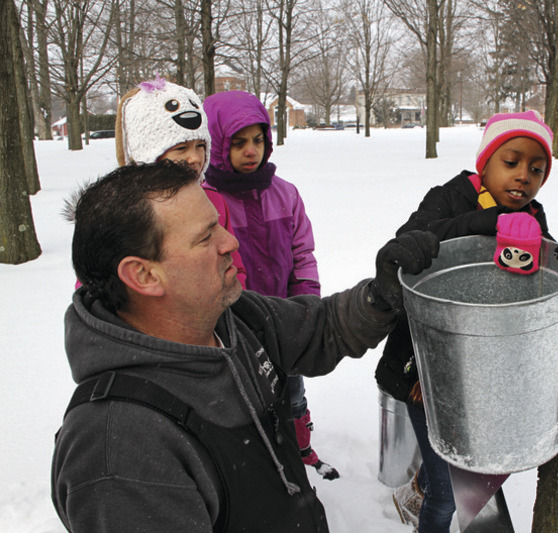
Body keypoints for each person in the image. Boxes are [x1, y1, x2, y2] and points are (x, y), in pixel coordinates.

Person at [51, 160, 439, 532]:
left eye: (218, 225)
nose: (230, 241)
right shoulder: (117, 449)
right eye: (206, 236)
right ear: (144, 274)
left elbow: (320, 329)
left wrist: (380, 295)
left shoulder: (233, 316)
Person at [376, 110, 555, 532]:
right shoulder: (450, 197)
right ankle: (428, 506)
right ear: (486, 163)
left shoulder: (533, 217)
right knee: (447, 488)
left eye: (536, 168)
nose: (523, 177)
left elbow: (533, 289)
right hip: (421, 369)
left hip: (481, 375)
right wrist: (485, 223)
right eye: (511, 162)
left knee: (479, 462)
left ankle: (414, 490)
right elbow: (410, 244)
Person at [202, 90, 335, 479]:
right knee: (251, 397)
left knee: (292, 391)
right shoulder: (207, 202)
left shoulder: (285, 195)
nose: (251, 151)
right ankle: (265, 463)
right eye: (238, 142)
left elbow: (302, 255)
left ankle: (301, 449)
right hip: (236, 326)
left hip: (285, 320)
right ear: (219, 143)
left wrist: (306, 307)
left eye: (258, 140)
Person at [115, 76, 247, 286]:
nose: (194, 157)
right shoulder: (123, 211)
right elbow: (98, 283)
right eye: (181, 148)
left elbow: (234, 266)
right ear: (148, 153)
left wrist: (232, 303)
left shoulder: (213, 202)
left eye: (200, 146)